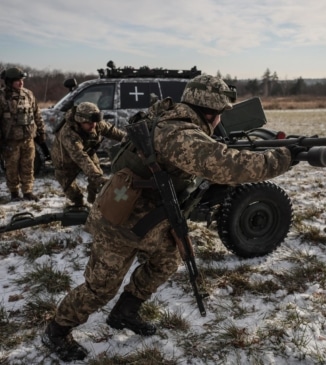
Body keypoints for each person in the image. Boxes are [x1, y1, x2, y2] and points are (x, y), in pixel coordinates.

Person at [42, 74, 300, 362]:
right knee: (100, 288)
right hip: (119, 221)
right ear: (213, 112)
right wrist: (283, 157)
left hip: (150, 217)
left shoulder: (176, 120)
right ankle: (56, 330)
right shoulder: (179, 133)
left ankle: (125, 311)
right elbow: (226, 166)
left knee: (165, 262)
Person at [50, 101, 126, 206]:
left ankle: (93, 200)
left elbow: (113, 132)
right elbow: (81, 157)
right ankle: (79, 203)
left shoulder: (95, 123)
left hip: (87, 152)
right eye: (89, 123)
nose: (93, 126)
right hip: (65, 161)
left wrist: (128, 138)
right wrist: (97, 177)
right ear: (80, 121)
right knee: (70, 189)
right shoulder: (68, 134)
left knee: (96, 177)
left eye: (94, 122)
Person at [0, 67, 46, 202]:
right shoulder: (2, 97)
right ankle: (14, 192)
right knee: (12, 167)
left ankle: (28, 191)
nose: (21, 83)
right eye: (17, 81)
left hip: (28, 138)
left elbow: (37, 114)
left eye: (22, 80)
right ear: (9, 82)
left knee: (28, 166)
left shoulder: (28, 94)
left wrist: (41, 131)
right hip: (11, 140)